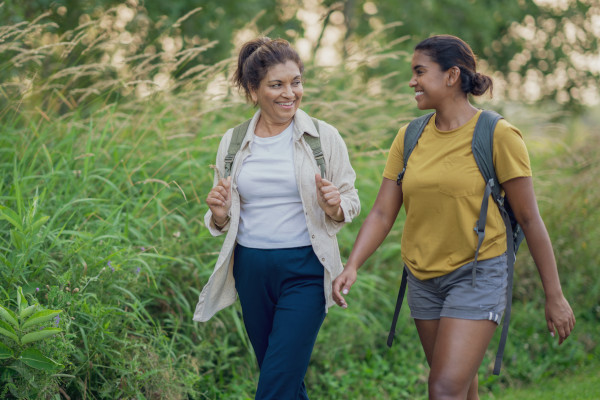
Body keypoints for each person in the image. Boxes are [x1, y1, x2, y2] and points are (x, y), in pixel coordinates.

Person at [332, 34, 575, 400]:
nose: (412, 81)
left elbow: (529, 218)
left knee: (444, 389)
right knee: (460, 386)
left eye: (419, 71)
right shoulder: (409, 137)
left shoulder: (498, 135)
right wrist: (353, 264)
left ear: (451, 76)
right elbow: (383, 212)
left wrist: (554, 296)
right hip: (422, 277)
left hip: (478, 273)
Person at [193, 37, 360, 399]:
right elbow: (223, 216)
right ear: (253, 91)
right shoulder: (233, 142)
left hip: (305, 268)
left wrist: (334, 205)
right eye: (277, 85)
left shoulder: (322, 136)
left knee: (275, 384)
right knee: (281, 375)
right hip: (251, 269)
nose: (290, 93)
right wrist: (219, 215)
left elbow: (350, 199)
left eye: (296, 82)